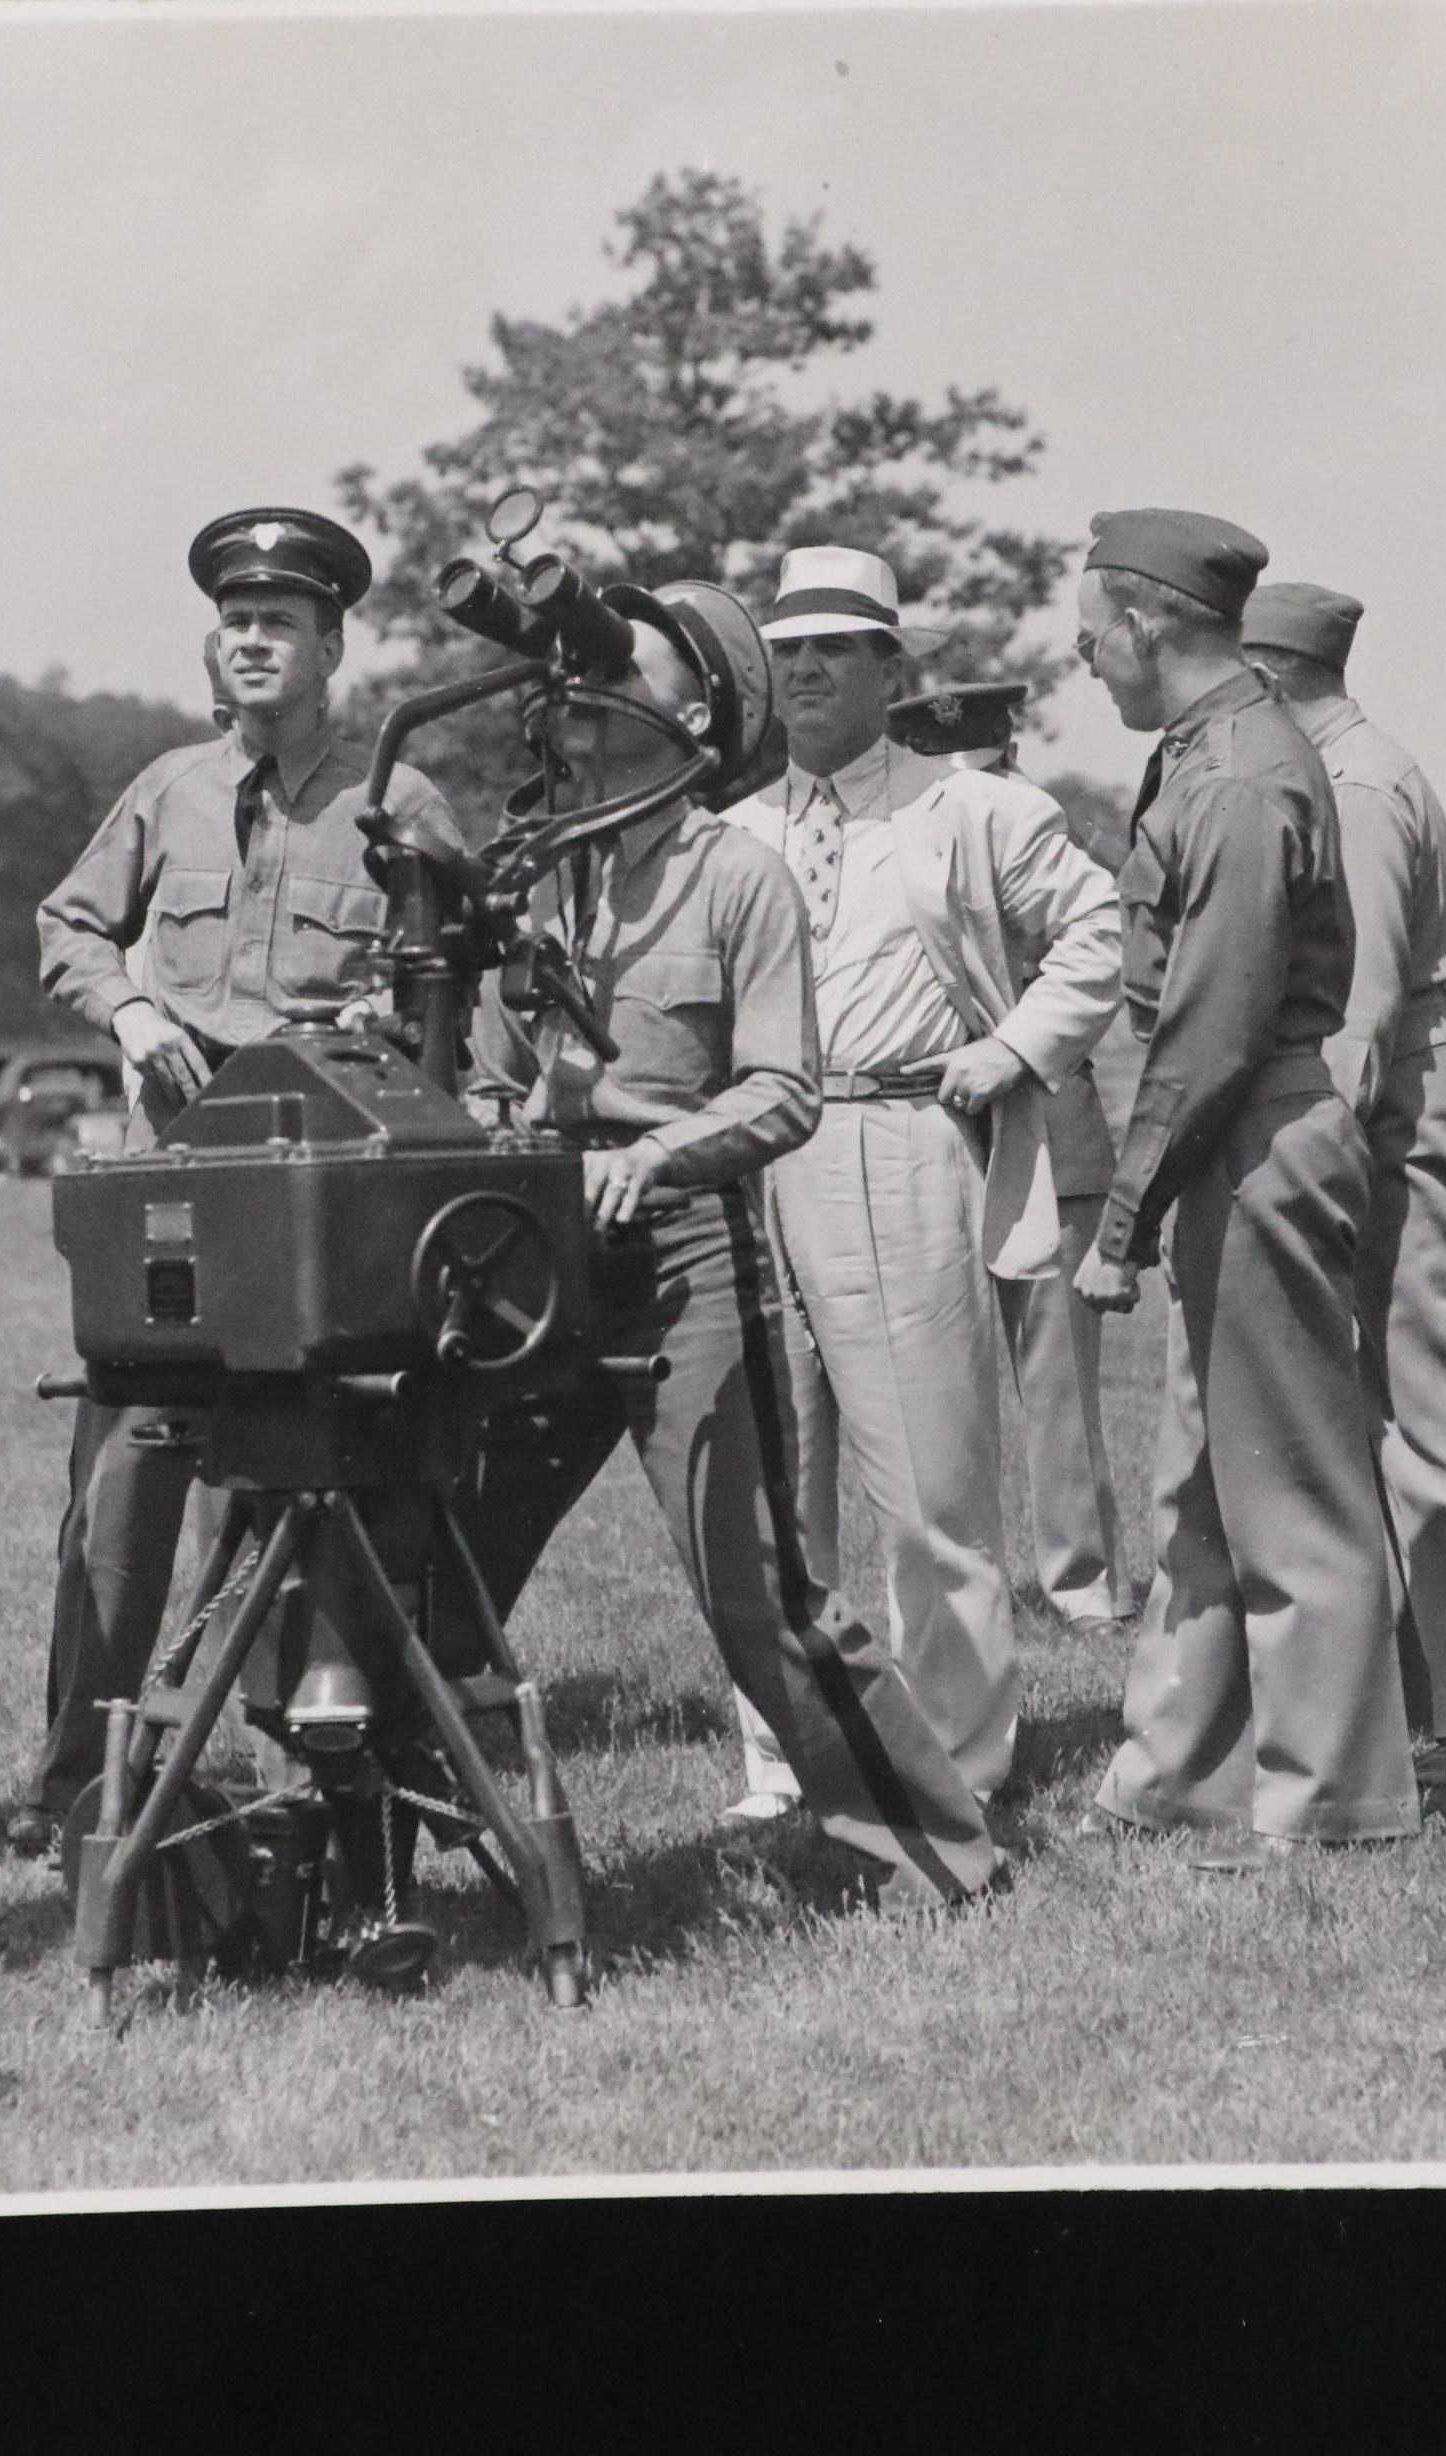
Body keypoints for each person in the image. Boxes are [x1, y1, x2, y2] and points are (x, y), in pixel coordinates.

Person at [458, 592, 1010, 1911]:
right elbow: (483, 1072)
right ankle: (454, 1847)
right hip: (534, 1259)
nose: (581, 690)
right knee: (441, 1563)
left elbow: (784, 1091)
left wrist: (650, 1153)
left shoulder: (736, 873)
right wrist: (514, 1125)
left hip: (685, 1255)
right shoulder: (534, 873)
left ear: (696, 713)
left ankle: (937, 1853)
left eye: (619, 669)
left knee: (753, 1589)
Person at [9, 506, 459, 1856]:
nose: (252, 643)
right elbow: (68, 923)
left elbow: (456, 1004)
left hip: (323, 1204)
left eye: (281, 623)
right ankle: (77, 1780)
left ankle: (314, 1756)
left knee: (325, 1482)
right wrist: (131, 1015)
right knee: (128, 1485)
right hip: (179, 1200)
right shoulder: (168, 791)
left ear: (334, 643)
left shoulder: (401, 804)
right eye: (236, 622)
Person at [713, 549, 1122, 1821]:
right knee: (771, 1485)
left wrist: (1012, 1050)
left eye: (840, 646)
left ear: (896, 668)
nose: (811, 668)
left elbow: (1100, 928)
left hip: (906, 1135)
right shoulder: (734, 832)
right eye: (790, 650)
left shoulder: (971, 807)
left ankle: (952, 1754)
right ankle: (787, 1760)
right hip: (757, 1157)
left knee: (930, 1483)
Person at [1071, 510, 1424, 1851]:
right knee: (1206, 1484)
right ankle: (1180, 1771)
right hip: (1243, 1133)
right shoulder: (1210, 752)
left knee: (1294, 1489)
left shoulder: (1229, 776)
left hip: (1255, 1132)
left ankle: (1337, 1800)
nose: (1084, 656)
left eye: (1093, 633)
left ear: (1150, 627)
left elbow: (1208, 1026)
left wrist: (1120, 1223)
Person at [1248, 577, 1446, 1799]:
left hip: (1397, 1100)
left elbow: (1361, 1005)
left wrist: (1316, 1146)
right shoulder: (1343, 765)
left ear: (1270, 677)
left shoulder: (1355, 785)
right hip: (1401, 1091)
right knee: (1392, 1395)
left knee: (1427, 1399)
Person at [887, 671, 1133, 1634]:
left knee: (1055, 1370)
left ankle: (1083, 1584)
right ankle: (1028, 1583)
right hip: (930, 1109)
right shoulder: (907, 822)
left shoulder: (1026, 820)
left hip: (1043, 1112)